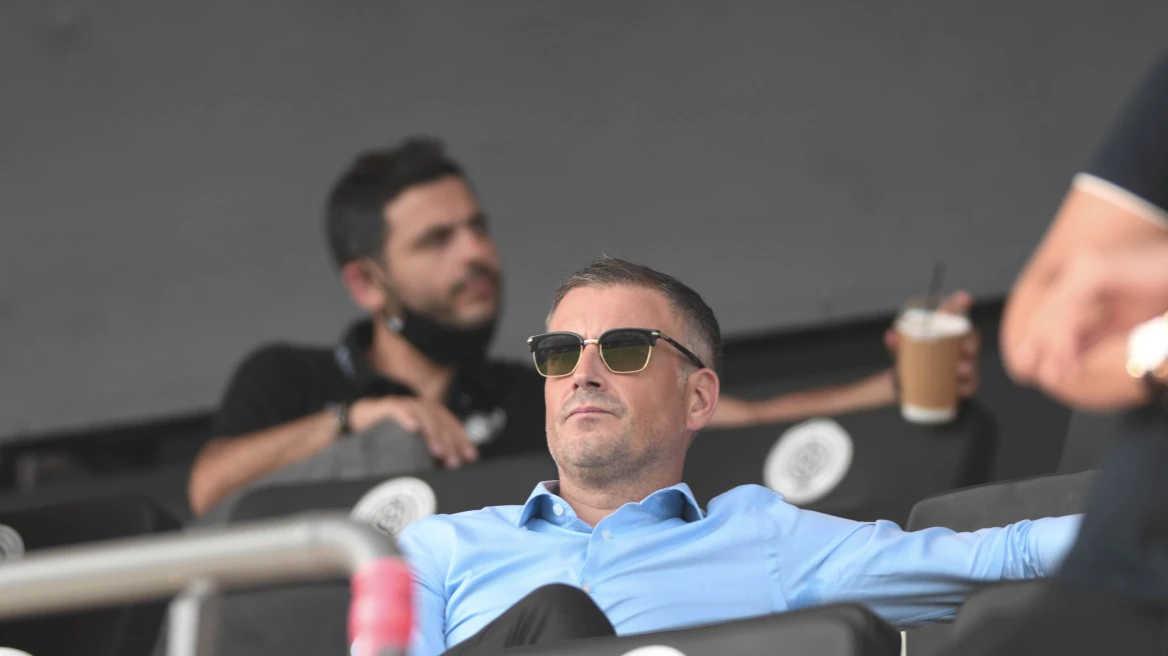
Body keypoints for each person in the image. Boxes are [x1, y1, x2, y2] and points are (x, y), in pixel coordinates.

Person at [187, 138, 982, 517]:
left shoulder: (529, 387)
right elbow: (209, 490)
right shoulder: (290, 377)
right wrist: (358, 420)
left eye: (477, 227)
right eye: (437, 240)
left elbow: (727, 413)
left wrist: (888, 388)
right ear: (366, 282)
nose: (476, 254)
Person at [398, 257, 1077, 656]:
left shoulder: (766, 538)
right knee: (554, 616)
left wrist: (1130, 516)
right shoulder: (442, 547)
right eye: (559, 353)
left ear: (698, 398)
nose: (584, 374)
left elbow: (997, 556)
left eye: (625, 349)